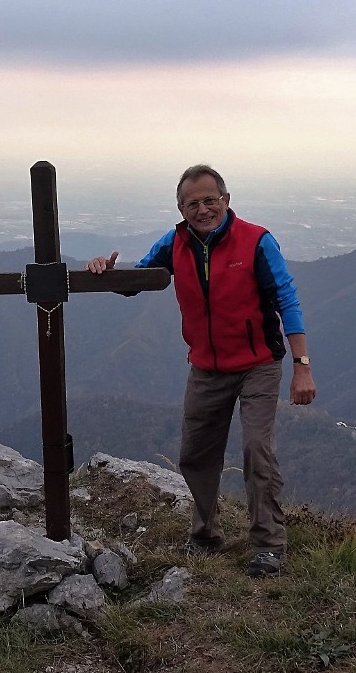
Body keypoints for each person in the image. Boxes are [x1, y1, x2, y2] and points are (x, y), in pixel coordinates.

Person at [88, 164, 315, 576]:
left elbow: (287, 300)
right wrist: (108, 271)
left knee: (256, 451)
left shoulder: (257, 241)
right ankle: (205, 536)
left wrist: (302, 366)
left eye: (211, 200)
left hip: (258, 365)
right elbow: (140, 278)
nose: (203, 209)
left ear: (227, 200)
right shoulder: (175, 242)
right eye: (192, 203)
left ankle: (268, 544)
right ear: (181, 208)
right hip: (206, 368)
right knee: (195, 455)